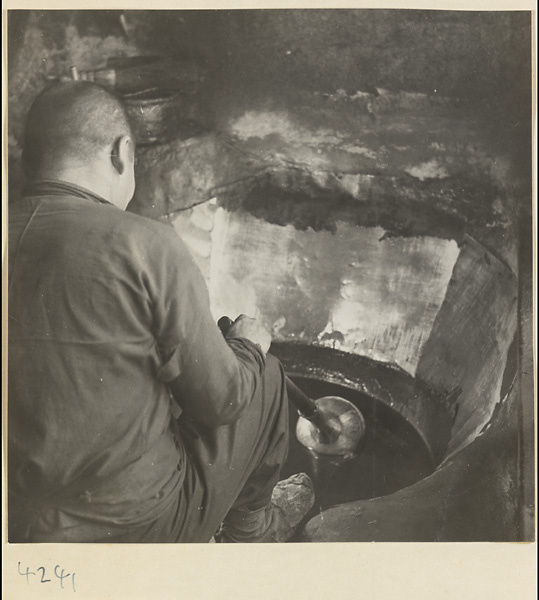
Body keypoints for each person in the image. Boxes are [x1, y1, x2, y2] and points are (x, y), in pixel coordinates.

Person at [8, 81, 314, 543]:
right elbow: (223, 401)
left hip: (19, 523)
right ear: (121, 153)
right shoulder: (144, 243)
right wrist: (246, 347)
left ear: (28, 160)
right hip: (139, 527)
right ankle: (251, 530)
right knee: (265, 379)